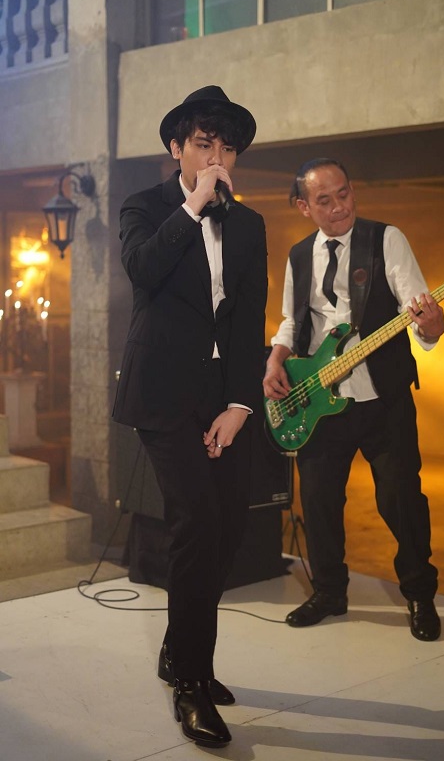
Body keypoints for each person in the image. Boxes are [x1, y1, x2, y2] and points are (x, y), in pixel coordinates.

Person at [113, 86, 267, 748]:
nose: (216, 157)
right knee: (196, 522)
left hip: (221, 391)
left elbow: (248, 321)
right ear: (176, 147)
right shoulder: (145, 207)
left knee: (229, 526)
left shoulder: (249, 225)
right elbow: (143, 270)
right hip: (162, 392)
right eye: (204, 144)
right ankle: (192, 681)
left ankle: (179, 648)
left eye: (226, 147)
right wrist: (193, 204)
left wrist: (240, 404)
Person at [263, 158, 444, 642]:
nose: (339, 206)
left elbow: (419, 309)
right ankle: (329, 593)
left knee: (401, 500)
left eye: (344, 193)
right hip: (320, 401)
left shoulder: (386, 240)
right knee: (319, 502)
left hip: (383, 397)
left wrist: (432, 327)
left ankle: (419, 594)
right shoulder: (299, 256)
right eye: (324, 200)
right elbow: (291, 321)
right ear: (304, 207)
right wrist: (275, 360)